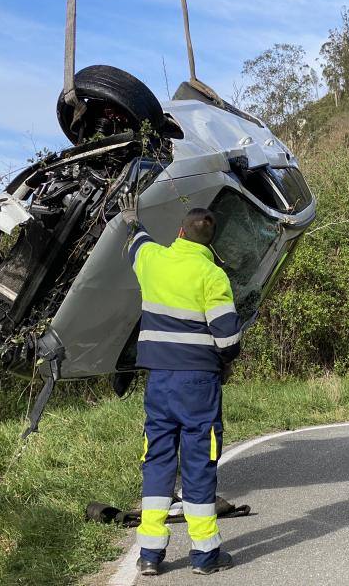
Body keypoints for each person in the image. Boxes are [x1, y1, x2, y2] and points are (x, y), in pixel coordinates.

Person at [119, 192, 242, 576]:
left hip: (159, 382)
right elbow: (227, 340)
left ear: (179, 232)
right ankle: (204, 556)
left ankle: (150, 554)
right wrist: (226, 362)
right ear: (211, 243)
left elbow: (136, 244)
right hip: (198, 385)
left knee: (157, 459)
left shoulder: (154, 260)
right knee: (198, 463)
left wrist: (131, 220)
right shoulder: (212, 274)